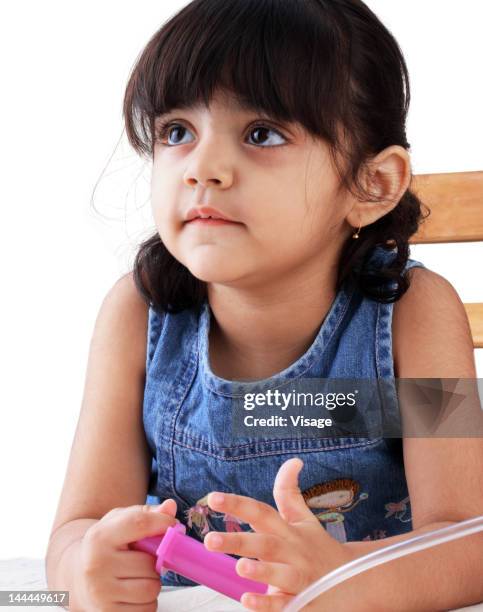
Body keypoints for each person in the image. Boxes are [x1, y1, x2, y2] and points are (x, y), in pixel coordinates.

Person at [45, 0, 483, 610]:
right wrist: (84, 569)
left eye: (262, 134)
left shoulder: (413, 314)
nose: (204, 168)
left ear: (370, 185)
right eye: (177, 132)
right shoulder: (136, 317)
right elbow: (77, 528)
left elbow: (466, 540)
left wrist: (339, 578)